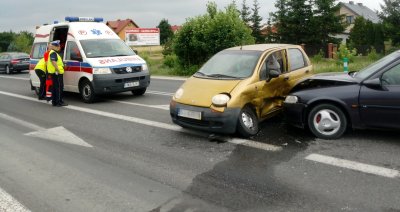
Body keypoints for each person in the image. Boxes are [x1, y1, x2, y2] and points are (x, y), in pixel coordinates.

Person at [47, 40, 68, 107]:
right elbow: (54, 62)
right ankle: (59, 102)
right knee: (59, 88)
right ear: (54, 46)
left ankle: (54, 102)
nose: (59, 47)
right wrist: (58, 70)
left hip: (54, 73)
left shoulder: (53, 53)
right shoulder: (53, 53)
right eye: (58, 46)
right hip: (57, 73)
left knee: (55, 88)